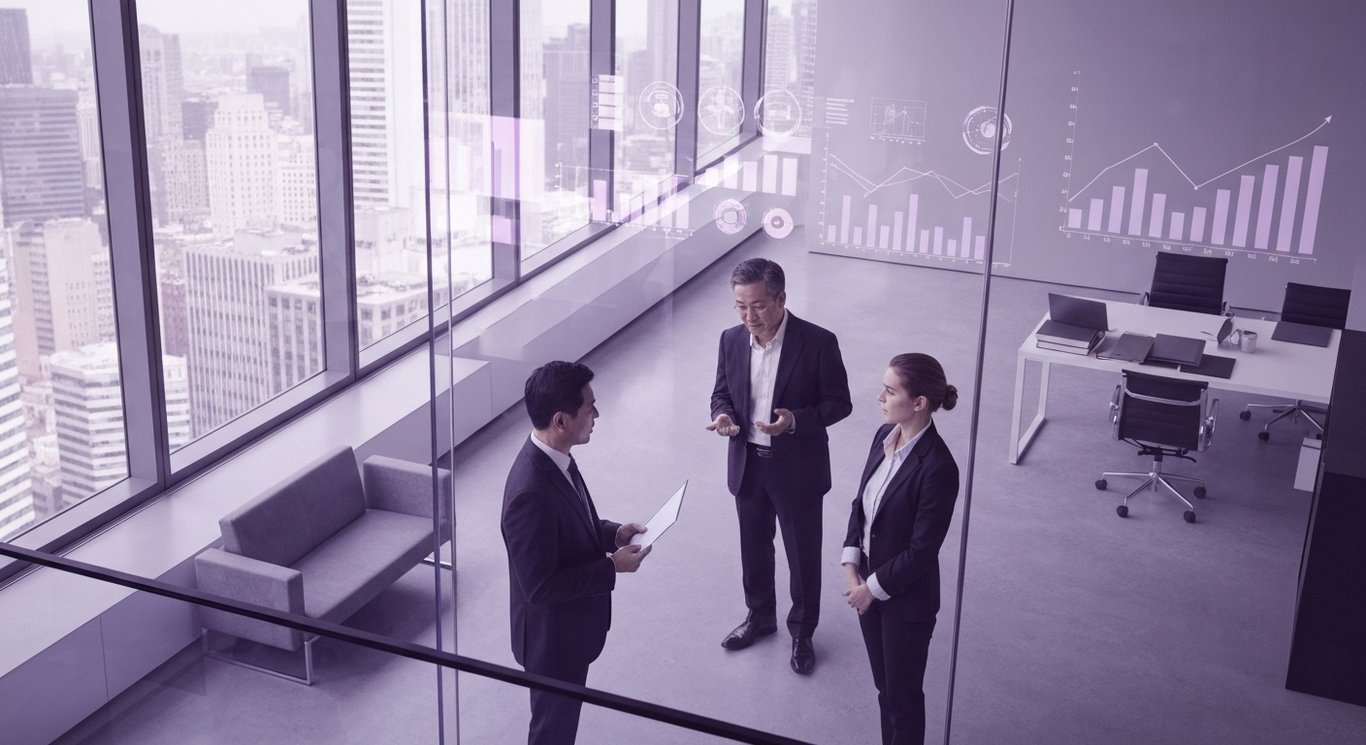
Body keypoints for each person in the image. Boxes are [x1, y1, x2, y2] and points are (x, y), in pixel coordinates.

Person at [707, 257, 852, 674]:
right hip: (748, 462)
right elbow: (721, 393)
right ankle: (760, 617)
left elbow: (839, 403)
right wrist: (722, 415)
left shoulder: (819, 342)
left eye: (758, 305)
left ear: (781, 298)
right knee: (753, 549)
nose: (749, 316)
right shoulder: (730, 340)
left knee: (802, 555)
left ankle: (802, 632)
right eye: (740, 306)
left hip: (797, 468)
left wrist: (794, 421)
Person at [502, 361, 650, 745]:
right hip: (553, 645)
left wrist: (613, 533)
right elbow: (540, 587)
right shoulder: (528, 493)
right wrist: (611, 568)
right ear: (561, 420)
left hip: (569, 634)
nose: (597, 414)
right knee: (552, 733)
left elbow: (574, 524)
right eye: (589, 407)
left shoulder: (557, 458)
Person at [841, 353, 961, 745]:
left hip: (906, 602)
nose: (880, 397)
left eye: (890, 391)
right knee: (885, 692)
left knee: (904, 699)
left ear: (919, 403)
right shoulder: (883, 436)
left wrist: (867, 590)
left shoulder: (939, 467)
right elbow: (860, 506)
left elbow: (922, 551)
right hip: (868, 591)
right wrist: (850, 564)